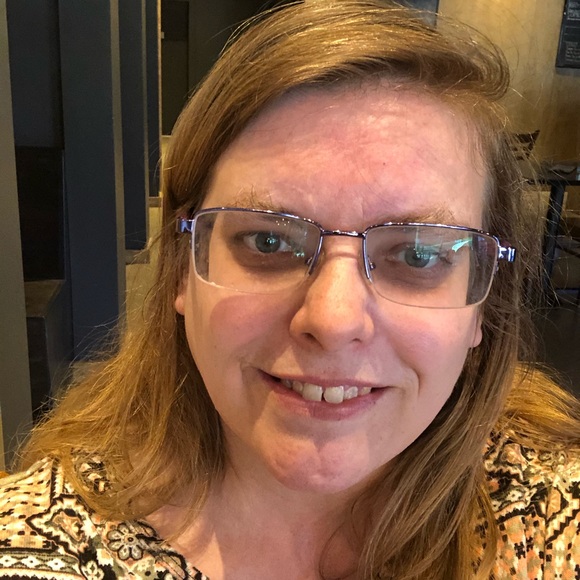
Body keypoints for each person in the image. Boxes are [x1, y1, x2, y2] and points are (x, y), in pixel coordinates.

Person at [1, 1, 579, 578]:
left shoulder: (553, 519)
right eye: (268, 242)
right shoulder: (39, 543)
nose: (332, 320)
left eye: (417, 255)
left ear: (483, 299)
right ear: (182, 267)